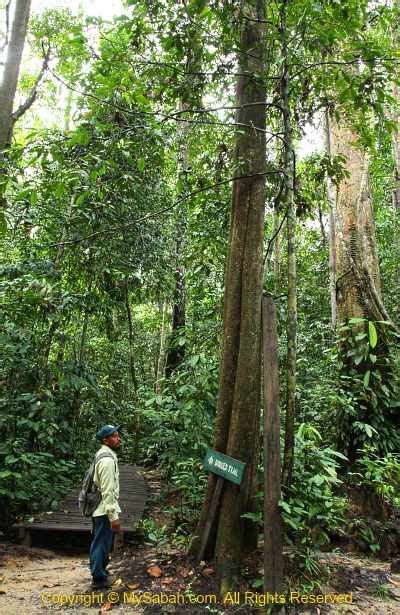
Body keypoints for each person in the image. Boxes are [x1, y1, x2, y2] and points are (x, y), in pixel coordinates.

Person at [89, 424, 122, 589]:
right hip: (103, 509)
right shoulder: (107, 461)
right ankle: (99, 578)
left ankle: (99, 572)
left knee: (100, 542)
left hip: (100, 508)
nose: (119, 438)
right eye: (115, 436)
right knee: (102, 543)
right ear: (105, 440)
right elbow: (107, 491)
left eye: (117, 435)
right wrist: (113, 517)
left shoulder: (104, 454)